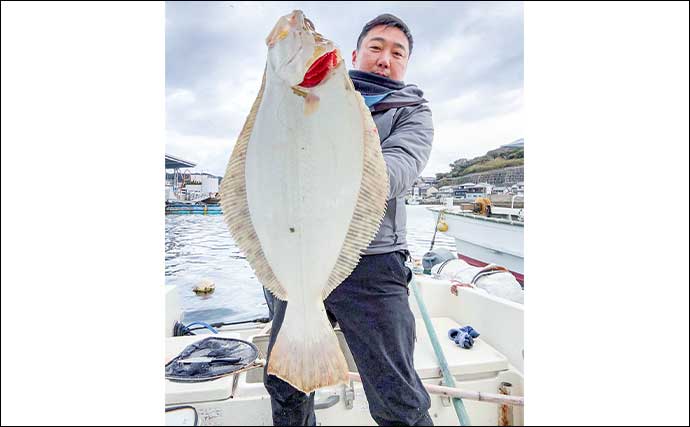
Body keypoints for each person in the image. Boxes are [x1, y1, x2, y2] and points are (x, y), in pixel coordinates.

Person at [263, 13, 434, 426]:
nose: (385, 59)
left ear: (405, 64)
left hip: (373, 263)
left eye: (397, 53)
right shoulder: (316, 91)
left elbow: (397, 170)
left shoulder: (411, 111)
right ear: (355, 54)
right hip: (298, 256)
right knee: (286, 384)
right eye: (376, 47)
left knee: (397, 394)